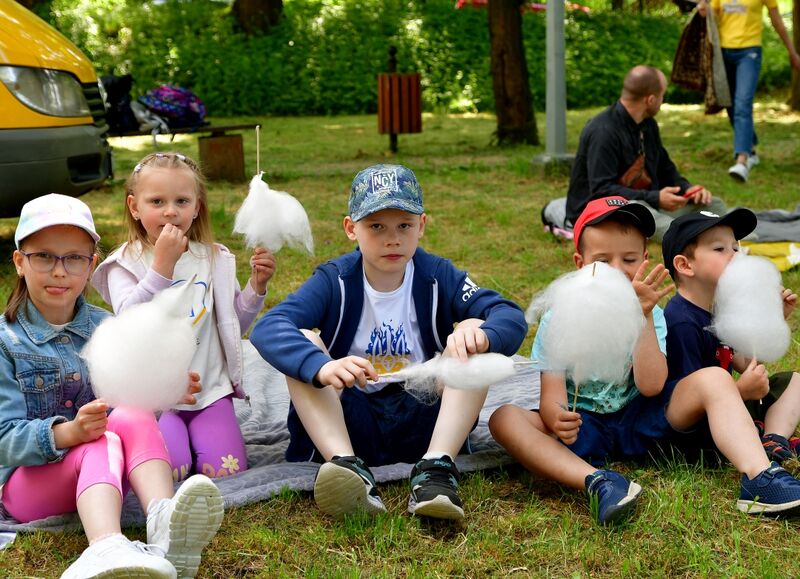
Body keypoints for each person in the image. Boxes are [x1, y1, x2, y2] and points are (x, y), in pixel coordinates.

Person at [250, 164, 527, 521]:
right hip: (352, 416)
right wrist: (323, 366)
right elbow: (270, 326)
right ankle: (347, 468)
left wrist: (482, 335)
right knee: (304, 343)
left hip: (422, 417)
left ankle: (436, 468)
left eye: (404, 226)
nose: (392, 239)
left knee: (473, 330)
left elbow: (507, 313)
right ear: (352, 228)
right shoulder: (333, 280)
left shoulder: (438, 275)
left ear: (421, 226)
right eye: (376, 226)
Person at [0, 194, 223, 579]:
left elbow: (125, 408)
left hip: (104, 474)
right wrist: (69, 432)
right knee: (99, 443)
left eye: (74, 258)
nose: (59, 271)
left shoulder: (107, 328)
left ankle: (164, 522)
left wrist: (160, 388)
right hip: (27, 486)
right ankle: (105, 547)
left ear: (91, 264)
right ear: (20, 262)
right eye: (44, 257)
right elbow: (3, 438)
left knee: (133, 414)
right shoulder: (7, 342)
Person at [92, 152, 276, 482]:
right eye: (157, 201)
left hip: (210, 393)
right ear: (135, 207)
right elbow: (128, 323)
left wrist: (256, 287)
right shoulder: (125, 264)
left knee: (224, 472)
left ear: (197, 206)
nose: (170, 211)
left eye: (181, 201)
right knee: (170, 471)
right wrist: (161, 266)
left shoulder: (214, 259)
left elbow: (232, 326)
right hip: (156, 400)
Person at [491, 196, 674, 524]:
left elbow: (652, 386)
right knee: (503, 418)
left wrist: (643, 316)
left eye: (629, 258)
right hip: (584, 425)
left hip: (639, 420)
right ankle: (598, 481)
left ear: (645, 259)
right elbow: (552, 398)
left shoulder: (652, 313)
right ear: (579, 263)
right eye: (603, 261)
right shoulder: (560, 317)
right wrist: (558, 417)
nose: (617, 271)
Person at [661, 209, 800, 465]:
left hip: (734, 401)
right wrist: (740, 391)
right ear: (684, 265)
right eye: (720, 249)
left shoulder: (721, 309)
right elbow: (686, 407)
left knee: (795, 382)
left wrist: (775, 318)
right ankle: (757, 437)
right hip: (699, 429)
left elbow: (745, 362)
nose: (735, 255)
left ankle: (773, 439)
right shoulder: (682, 321)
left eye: (735, 248)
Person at [542, 65, 726, 241]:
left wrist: (687, 189)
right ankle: (684, 237)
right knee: (638, 208)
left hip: (647, 204)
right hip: (605, 211)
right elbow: (601, 191)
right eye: (662, 96)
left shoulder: (648, 125)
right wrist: (655, 197)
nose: (662, 102)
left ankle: (713, 232)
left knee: (712, 204)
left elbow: (665, 168)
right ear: (651, 99)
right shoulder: (603, 131)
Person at [698, 0, 800, 182]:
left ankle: (742, 160)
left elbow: (776, 20)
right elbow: (713, 18)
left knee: (742, 103)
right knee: (729, 103)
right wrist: (704, 11)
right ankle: (750, 148)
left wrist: (791, 51)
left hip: (749, 52)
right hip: (723, 52)